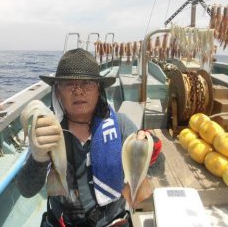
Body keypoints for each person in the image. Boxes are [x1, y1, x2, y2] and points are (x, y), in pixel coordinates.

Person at [16, 48, 138, 227]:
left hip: (113, 222)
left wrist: (151, 146)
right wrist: (39, 157)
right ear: (57, 91)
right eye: (69, 84)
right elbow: (26, 190)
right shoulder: (46, 129)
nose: (79, 91)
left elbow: (151, 163)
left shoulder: (121, 124)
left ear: (98, 89)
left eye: (87, 83)